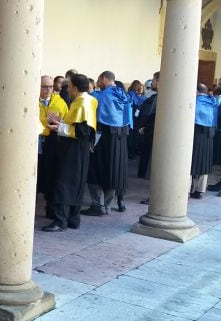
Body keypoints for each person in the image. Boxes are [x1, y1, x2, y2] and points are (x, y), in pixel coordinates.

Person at [43, 74, 98, 232]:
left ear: (74, 87)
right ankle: (73, 219)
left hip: (73, 149)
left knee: (64, 182)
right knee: (76, 183)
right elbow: (78, 125)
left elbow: (82, 131)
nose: (67, 89)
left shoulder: (81, 103)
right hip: (79, 149)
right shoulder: (88, 100)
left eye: (69, 86)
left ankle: (60, 221)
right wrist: (60, 122)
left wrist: (57, 128)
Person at [82, 71, 131, 216]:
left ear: (104, 79)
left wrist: (91, 142)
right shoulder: (124, 96)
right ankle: (107, 206)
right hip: (120, 139)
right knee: (113, 172)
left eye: (98, 80)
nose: (97, 83)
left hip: (103, 138)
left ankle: (97, 205)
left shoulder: (100, 97)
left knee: (95, 171)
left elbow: (95, 121)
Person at [38, 75, 69, 219]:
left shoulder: (60, 101)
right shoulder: (31, 100)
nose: (48, 90)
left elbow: (67, 122)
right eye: (44, 87)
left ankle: (50, 208)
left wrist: (60, 122)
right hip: (35, 140)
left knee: (51, 176)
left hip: (53, 141)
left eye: (50, 86)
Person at [191, 83, 217, 199]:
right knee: (204, 163)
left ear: (196, 91)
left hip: (195, 133)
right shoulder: (213, 103)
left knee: (191, 162)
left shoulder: (195, 102)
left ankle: (186, 190)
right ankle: (200, 191)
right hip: (209, 135)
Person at [137, 72, 160, 180]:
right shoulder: (155, 97)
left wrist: (145, 128)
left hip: (152, 130)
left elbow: (153, 115)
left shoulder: (161, 98)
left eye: (154, 80)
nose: (152, 82)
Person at [126, 79, 146, 159]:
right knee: (135, 135)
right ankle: (133, 151)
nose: (140, 90)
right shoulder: (138, 96)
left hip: (132, 118)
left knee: (132, 135)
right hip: (138, 118)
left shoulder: (129, 94)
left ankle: (131, 151)